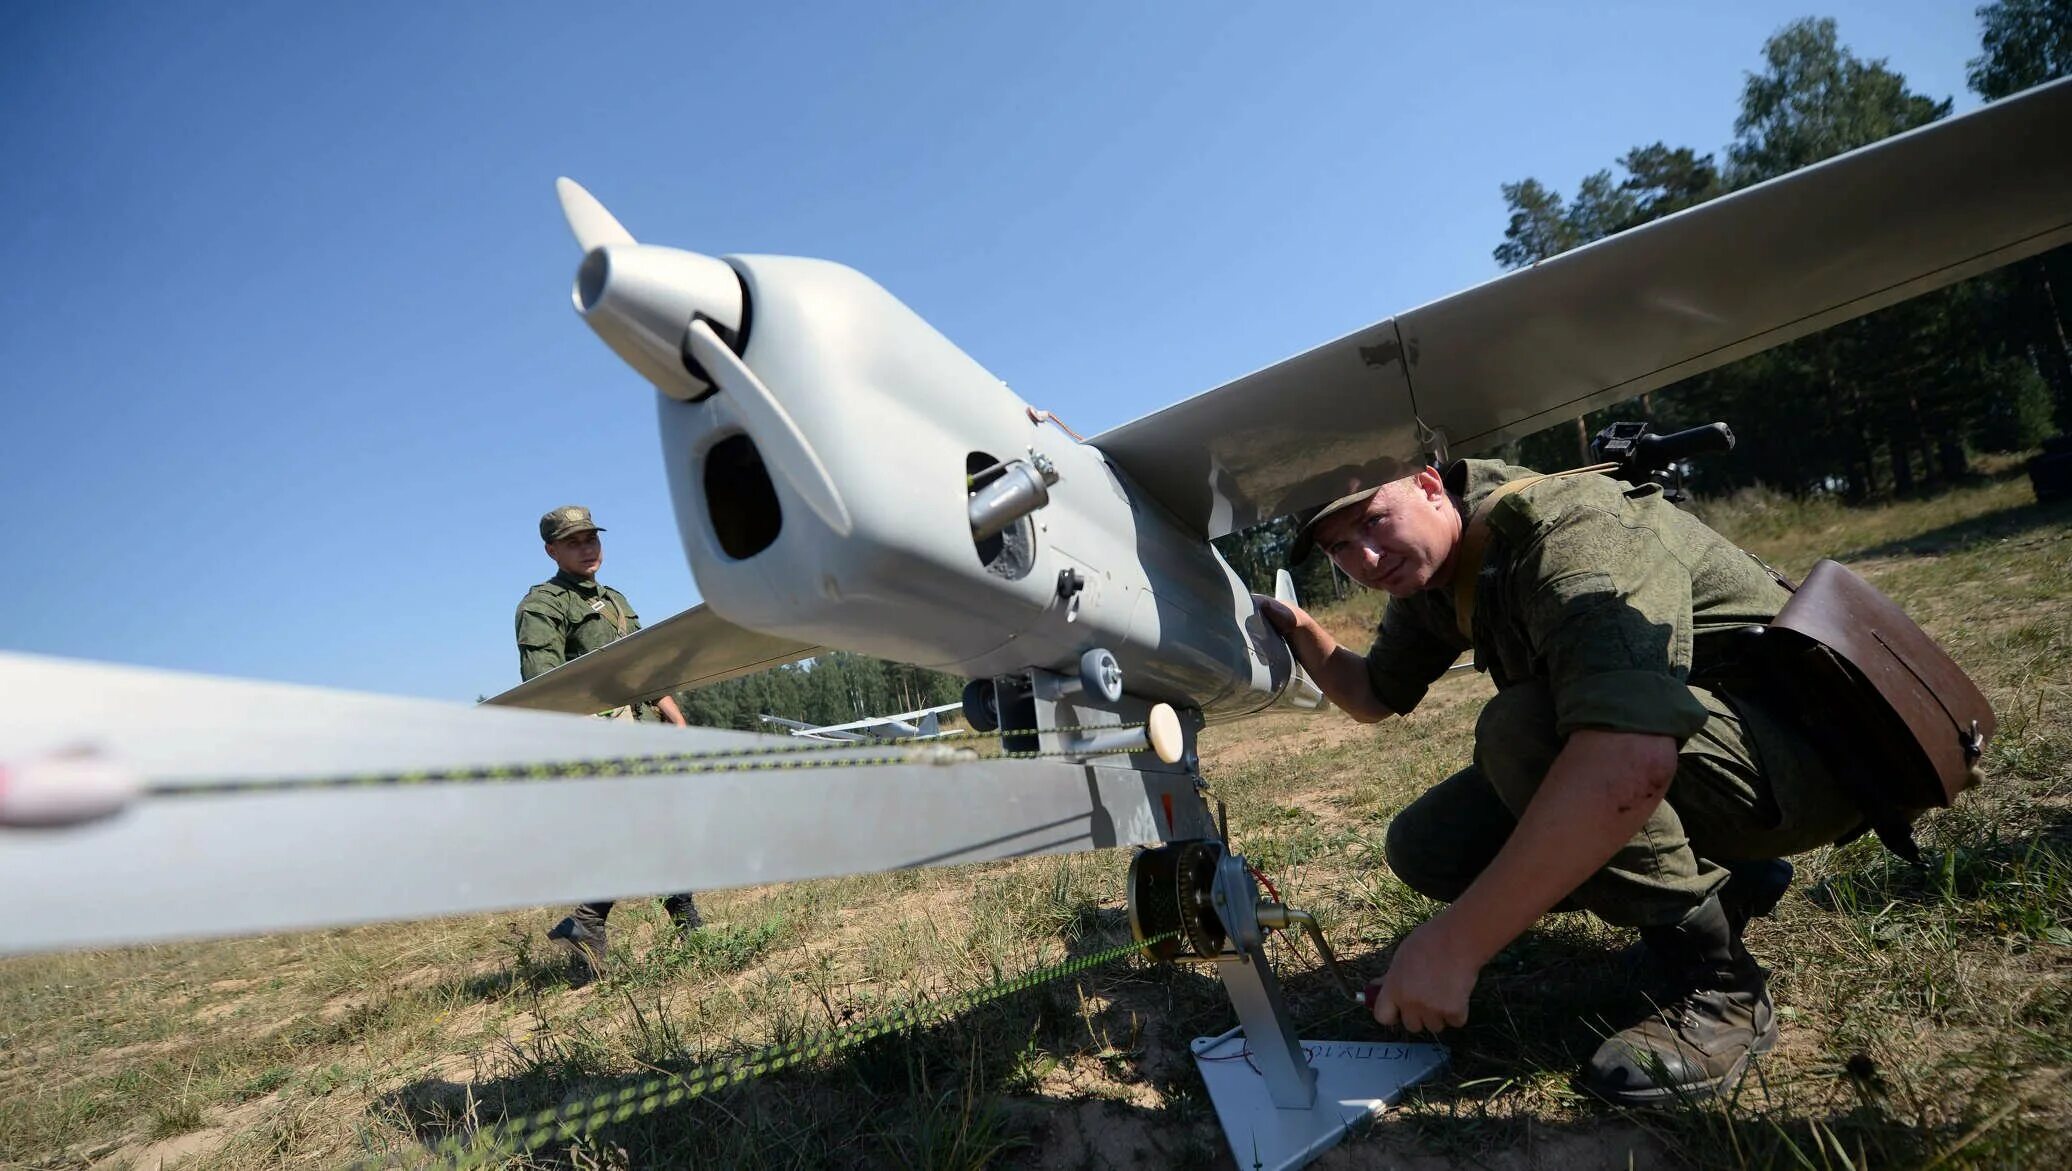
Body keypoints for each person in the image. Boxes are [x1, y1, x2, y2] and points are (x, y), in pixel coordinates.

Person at [1258, 459, 1865, 1104]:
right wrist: (1297, 630)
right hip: (1721, 759)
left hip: (1811, 765)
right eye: (1340, 548)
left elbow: (1626, 756)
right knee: (1430, 844)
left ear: (1431, 486)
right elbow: (1375, 693)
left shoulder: (1571, 528)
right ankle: (1735, 877)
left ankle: (1720, 987)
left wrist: (1455, 944)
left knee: (1524, 728)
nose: (1368, 558)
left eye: (1374, 521)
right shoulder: (1435, 571)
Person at [517, 505, 703, 971]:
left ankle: (596, 924)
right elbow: (547, 686)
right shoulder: (543, 606)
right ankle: (618, 923)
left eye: (591, 538)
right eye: (574, 541)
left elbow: (641, 666)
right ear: (551, 550)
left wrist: (672, 714)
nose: (587, 548)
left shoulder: (615, 600)